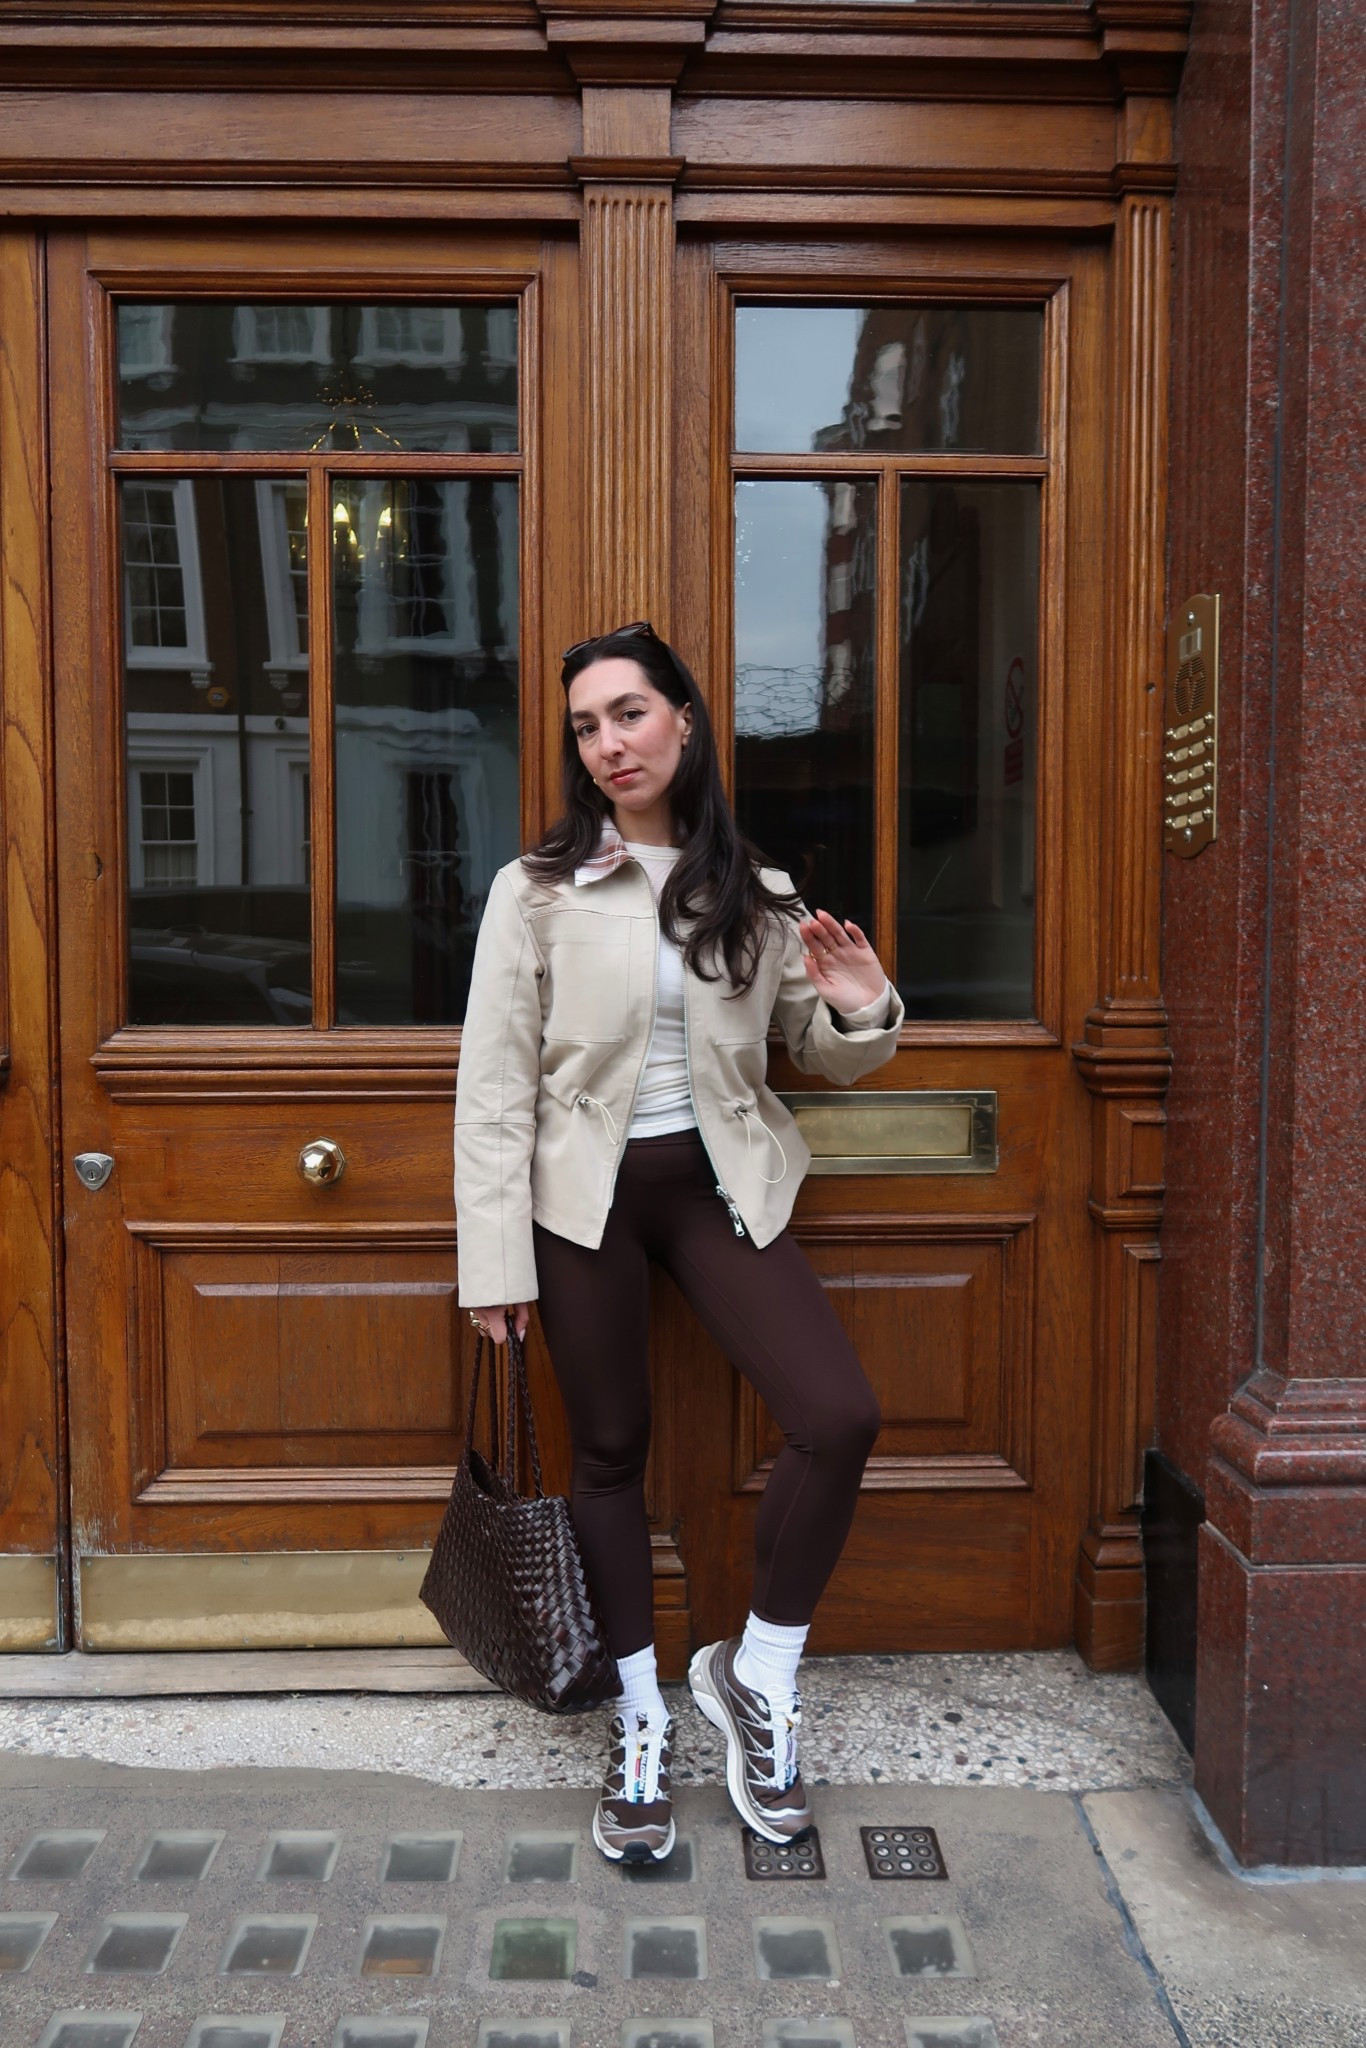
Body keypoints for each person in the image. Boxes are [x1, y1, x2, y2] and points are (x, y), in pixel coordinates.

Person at [454, 620, 905, 1865]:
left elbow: (819, 1044)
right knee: (609, 1452)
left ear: (685, 721)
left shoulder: (754, 892)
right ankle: (640, 1715)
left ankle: (757, 1673)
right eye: (587, 725)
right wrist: (493, 1262)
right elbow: (493, 1086)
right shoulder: (535, 891)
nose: (609, 742)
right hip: (579, 1200)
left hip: (718, 1187)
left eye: (630, 713)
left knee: (838, 1412)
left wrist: (869, 1006)